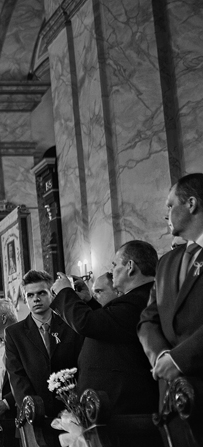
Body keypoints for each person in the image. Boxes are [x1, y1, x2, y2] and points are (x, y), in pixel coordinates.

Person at [52, 240, 159, 415]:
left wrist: (64, 292)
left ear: (130, 266)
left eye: (115, 265)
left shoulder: (139, 300)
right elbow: (108, 326)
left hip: (124, 404)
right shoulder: (136, 298)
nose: (111, 270)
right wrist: (89, 301)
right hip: (110, 402)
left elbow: (87, 323)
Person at [139, 174, 203, 406]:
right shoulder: (167, 262)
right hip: (172, 393)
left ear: (191, 204)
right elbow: (148, 318)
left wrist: (179, 360)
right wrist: (161, 356)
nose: (167, 214)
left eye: (170, 205)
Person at [6, 270, 84, 419]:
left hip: (72, 408)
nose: (36, 299)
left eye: (41, 293)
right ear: (25, 299)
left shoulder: (70, 325)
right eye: (30, 295)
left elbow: (82, 364)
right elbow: (17, 376)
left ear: (52, 294)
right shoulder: (14, 333)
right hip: (36, 413)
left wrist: (76, 402)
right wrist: (33, 409)